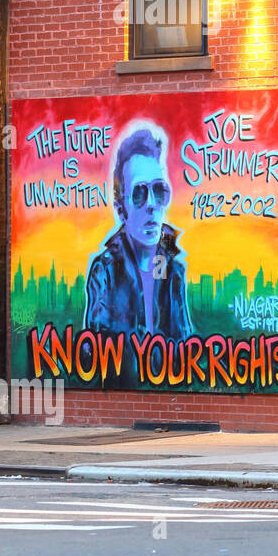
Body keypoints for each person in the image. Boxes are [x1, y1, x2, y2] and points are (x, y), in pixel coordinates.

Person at [84, 125, 194, 385]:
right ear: (121, 206)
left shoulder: (173, 272)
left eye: (159, 191)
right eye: (139, 193)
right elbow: (97, 358)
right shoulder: (105, 273)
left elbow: (186, 350)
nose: (152, 205)